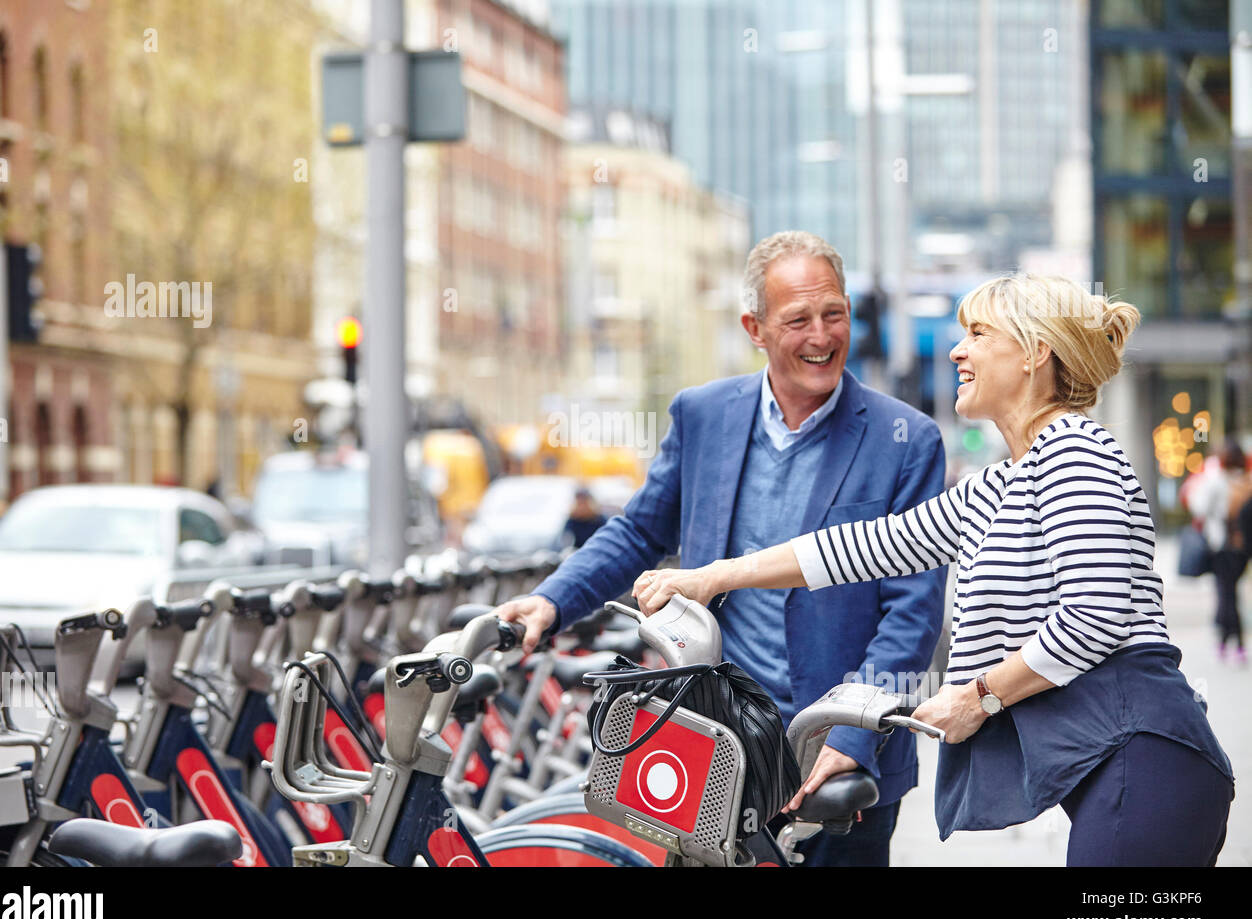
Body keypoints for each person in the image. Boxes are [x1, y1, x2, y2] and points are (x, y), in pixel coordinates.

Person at [632, 274, 1235, 867]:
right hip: (1122, 767)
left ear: (1035, 353)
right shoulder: (1001, 483)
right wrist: (713, 576)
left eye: (977, 332)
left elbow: (1096, 614)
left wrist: (978, 697)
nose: (956, 350)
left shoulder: (1075, 452)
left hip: (1148, 755)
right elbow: (864, 547)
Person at [498, 231, 948, 866]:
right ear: (755, 327)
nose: (822, 336)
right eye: (798, 320)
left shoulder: (907, 440)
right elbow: (638, 533)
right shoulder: (703, 415)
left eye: (834, 314)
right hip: (716, 741)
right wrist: (551, 602)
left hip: (838, 755)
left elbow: (914, 610)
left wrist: (851, 734)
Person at [1189, 441, 1252, 665]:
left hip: (1222, 545)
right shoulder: (1247, 481)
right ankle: (1229, 642)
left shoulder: (1217, 480)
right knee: (1231, 593)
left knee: (1226, 594)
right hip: (1243, 547)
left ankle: (1235, 645)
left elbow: (1200, 507)